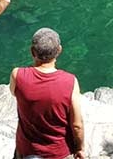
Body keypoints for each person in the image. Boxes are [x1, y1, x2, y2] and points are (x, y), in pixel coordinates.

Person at [10, 28, 85, 159]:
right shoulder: (70, 81)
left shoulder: (18, 75)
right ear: (59, 50)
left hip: (27, 151)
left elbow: (14, 93)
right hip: (59, 153)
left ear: (32, 51)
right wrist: (79, 148)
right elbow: (77, 125)